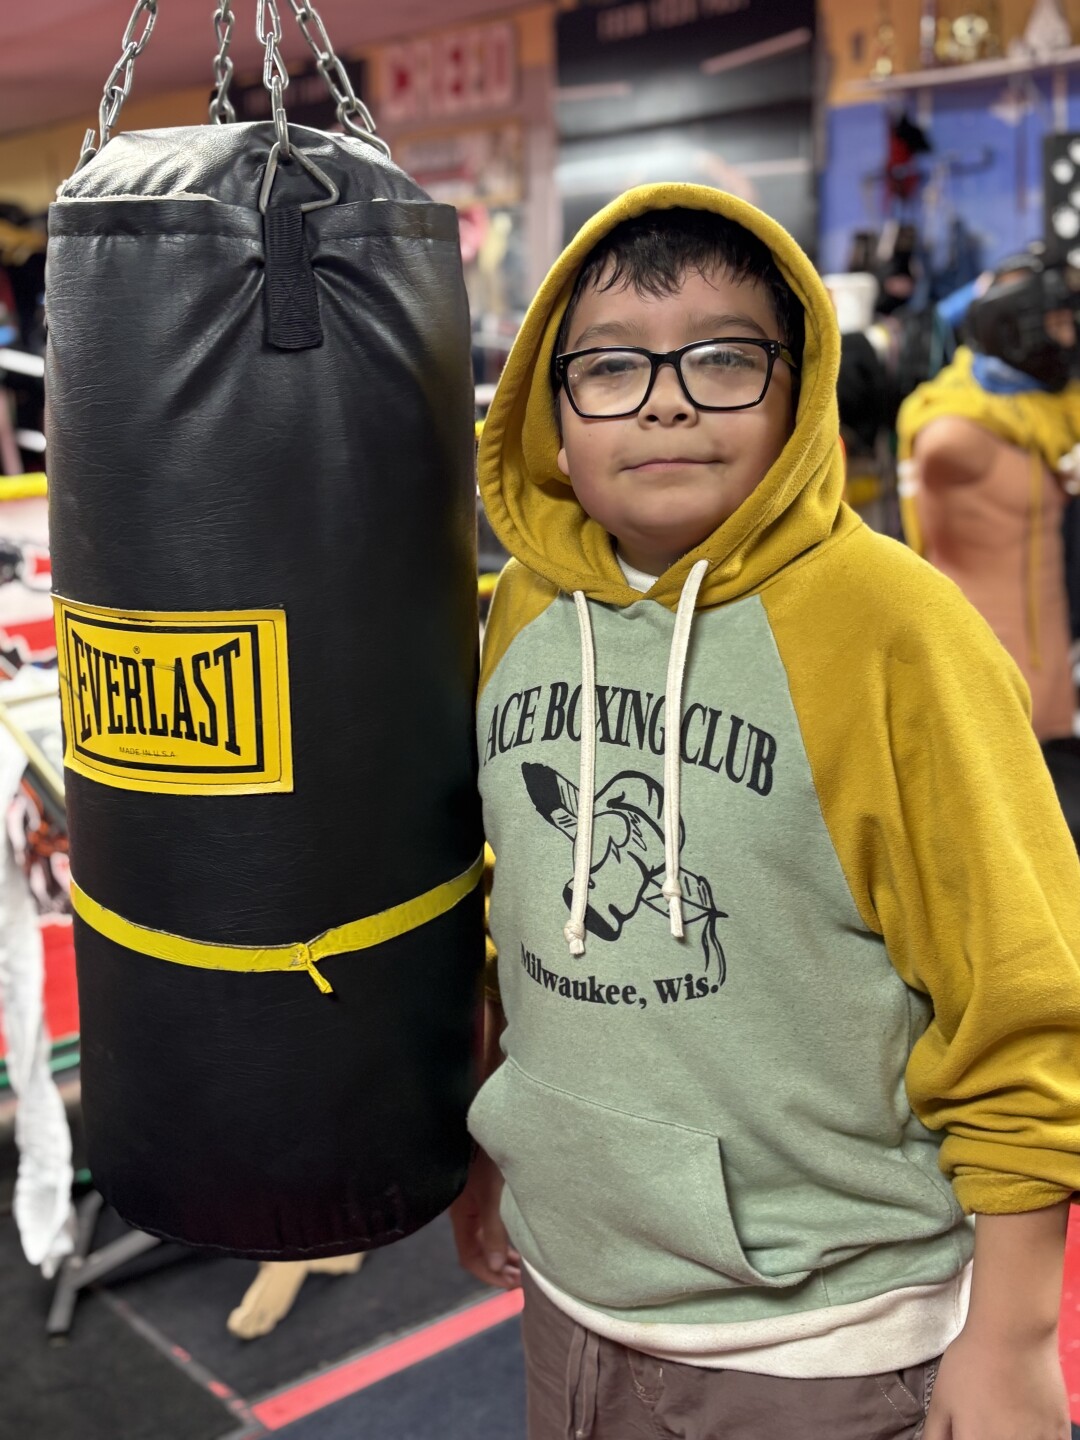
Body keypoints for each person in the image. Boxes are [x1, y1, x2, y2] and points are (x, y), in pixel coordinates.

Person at [452, 184, 1080, 1440]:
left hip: (827, 1342)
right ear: (549, 411)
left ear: (799, 393)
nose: (667, 401)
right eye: (612, 367)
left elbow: (1023, 998)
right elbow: (514, 912)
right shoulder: (524, 610)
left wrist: (1014, 1336)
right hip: (568, 1290)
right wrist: (494, 1151)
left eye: (724, 359)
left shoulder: (896, 631)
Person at [896, 253, 1080, 742]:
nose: (1069, 337)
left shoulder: (1053, 417)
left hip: (1055, 684)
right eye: (1056, 323)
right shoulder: (955, 433)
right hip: (988, 691)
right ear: (1012, 327)